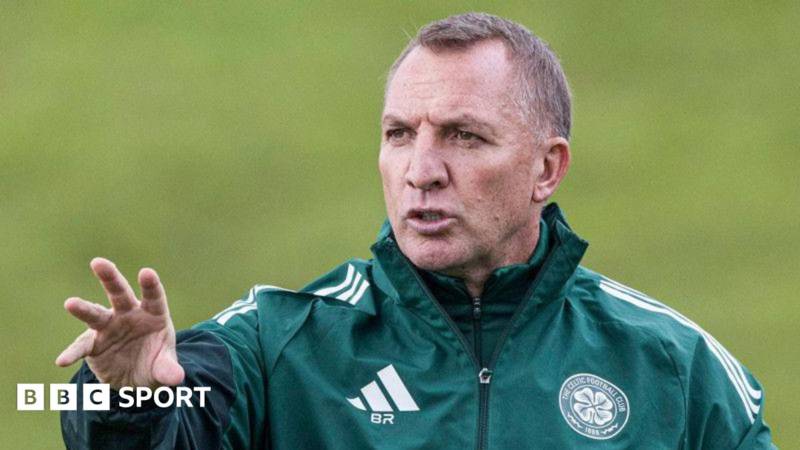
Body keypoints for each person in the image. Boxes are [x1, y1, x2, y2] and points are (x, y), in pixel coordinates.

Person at [57, 12, 776, 449]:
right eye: (400, 134)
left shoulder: (677, 368)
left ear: (546, 168)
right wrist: (121, 400)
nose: (421, 170)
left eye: (464, 136)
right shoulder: (278, 342)